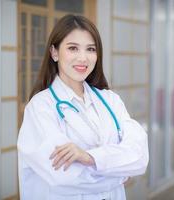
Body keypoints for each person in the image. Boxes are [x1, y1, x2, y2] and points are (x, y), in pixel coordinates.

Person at [17, 14, 149, 200]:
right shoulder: (40, 107)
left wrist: (89, 158)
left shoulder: (110, 101)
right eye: (72, 48)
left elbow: (139, 156)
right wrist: (119, 172)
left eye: (90, 49)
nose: (83, 58)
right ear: (54, 52)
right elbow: (63, 176)